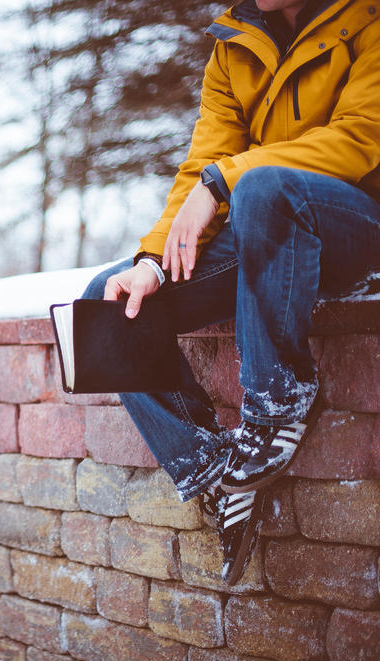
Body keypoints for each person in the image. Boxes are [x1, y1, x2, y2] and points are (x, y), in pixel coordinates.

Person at [83, 0, 380, 584]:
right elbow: (204, 160)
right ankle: (216, 468)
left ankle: (276, 404)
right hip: (264, 225)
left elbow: (359, 138)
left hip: (353, 223)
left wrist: (225, 181)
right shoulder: (234, 44)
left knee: (267, 188)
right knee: (109, 302)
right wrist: (153, 260)